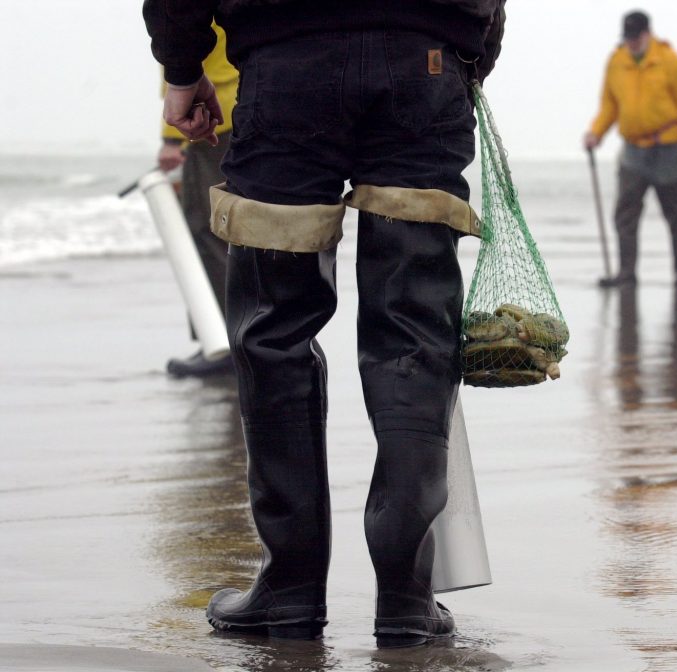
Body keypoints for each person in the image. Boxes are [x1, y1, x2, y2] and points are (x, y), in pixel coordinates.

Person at [142, 0, 505, 647]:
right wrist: (472, 50)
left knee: (275, 327)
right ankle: (405, 597)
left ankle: (290, 587)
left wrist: (181, 65)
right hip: (425, 56)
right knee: (414, 329)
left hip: (286, 58)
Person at [584, 10, 677, 287]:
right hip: (633, 152)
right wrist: (596, 132)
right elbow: (609, 106)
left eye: (636, 38)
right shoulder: (616, 61)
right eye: (627, 38)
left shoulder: (668, 60)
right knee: (625, 215)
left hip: (669, 149)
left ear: (648, 33)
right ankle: (626, 274)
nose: (632, 43)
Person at [159, 23, 238, 378]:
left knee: (208, 229)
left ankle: (222, 341)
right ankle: (244, 338)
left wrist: (170, 138)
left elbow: (182, 44)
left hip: (212, 118)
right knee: (248, 229)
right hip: (250, 107)